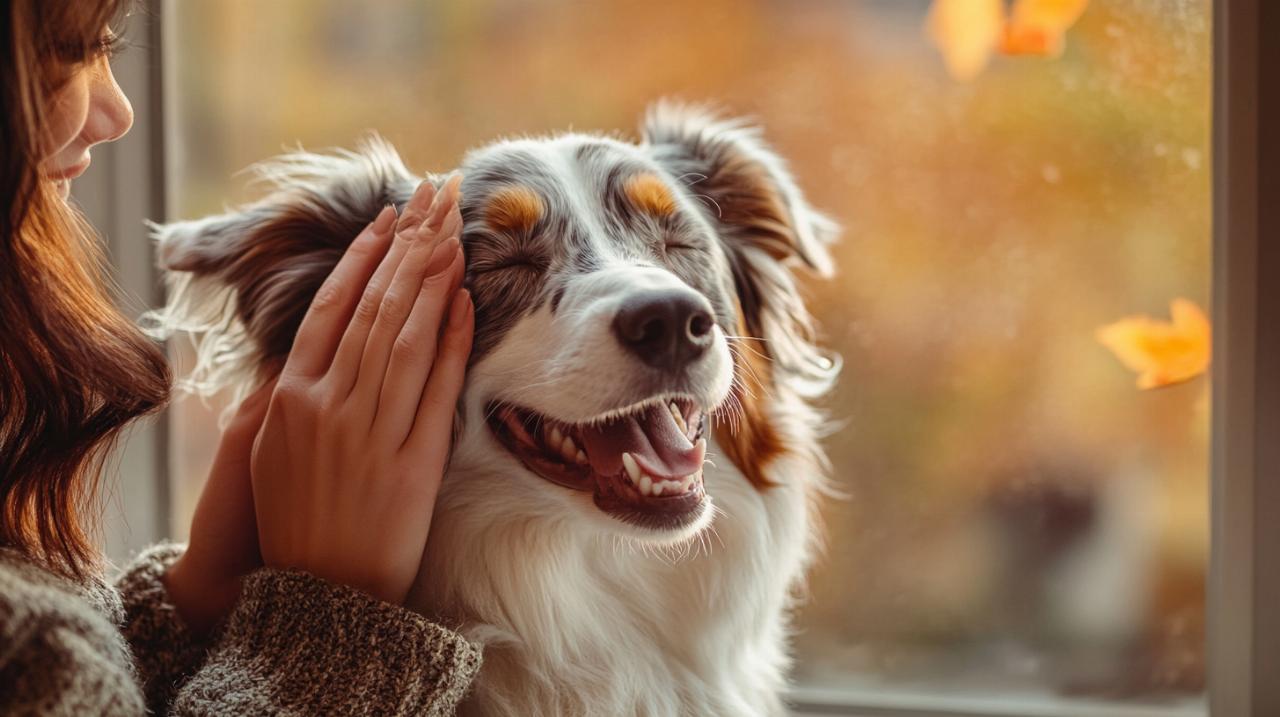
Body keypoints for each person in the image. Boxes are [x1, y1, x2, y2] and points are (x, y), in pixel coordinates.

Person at [0, 1, 481, 713]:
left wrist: (195, 602)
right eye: (73, 49)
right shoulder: (30, 650)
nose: (118, 110)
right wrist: (327, 637)